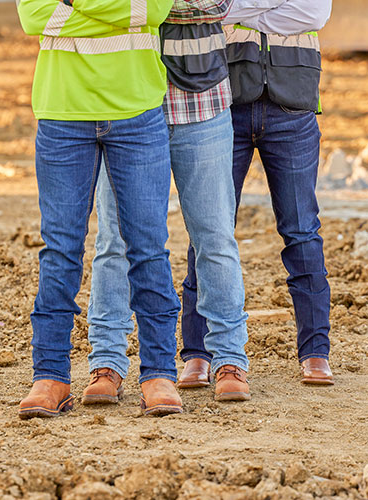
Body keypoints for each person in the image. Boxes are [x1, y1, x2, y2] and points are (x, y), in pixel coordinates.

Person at [15, 0, 184, 418]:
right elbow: (33, 15)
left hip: (136, 112)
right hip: (62, 112)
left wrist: (75, 5)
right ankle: (50, 375)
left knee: (147, 247)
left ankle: (159, 374)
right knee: (60, 250)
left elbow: (151, 11)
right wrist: (115, 8)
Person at [83, 0, 252, 407]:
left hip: (203, 105)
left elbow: (216, 4)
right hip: (126, 105)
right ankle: (106, 361)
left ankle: (230, 358)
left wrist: (134, 6)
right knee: (114, 240)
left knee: (215, 237)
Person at [179, 0, 336, 386]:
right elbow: (212, 9)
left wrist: (241, 9)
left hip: (293, 106)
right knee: (209, 230)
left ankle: (315, 352)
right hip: (224, 101)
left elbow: (314, 13)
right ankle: (197, 353)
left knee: (302, 232)